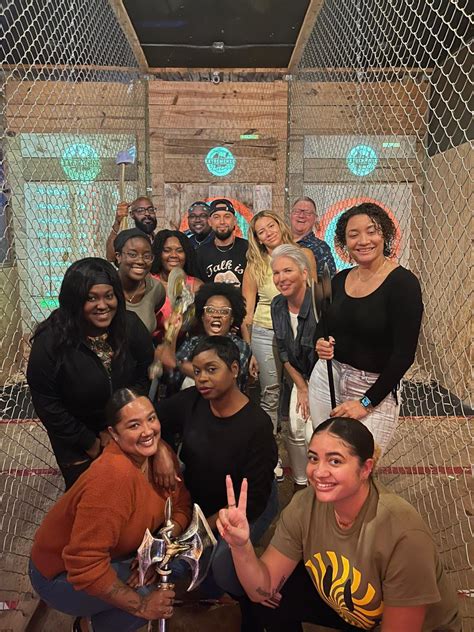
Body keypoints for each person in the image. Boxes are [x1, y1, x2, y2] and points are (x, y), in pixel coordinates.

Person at [217, 418, 460, 632]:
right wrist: (241, 546)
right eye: (313, 458)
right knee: (271, 597)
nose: (319, 472)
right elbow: (262, 588)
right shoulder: (304, 504)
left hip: (420, 627)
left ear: (365, 468)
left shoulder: (403, 533)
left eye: (335, 461)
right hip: (355, 610)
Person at [29, 388, 192, 632]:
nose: (148, 431)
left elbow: (182, 505)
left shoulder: (158, 453)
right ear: (114, 434)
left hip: (112, 554)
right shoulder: (113, 479)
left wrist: (155, 547)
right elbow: (86, 566)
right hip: (59, 573)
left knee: (170, 568)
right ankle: (88, 627)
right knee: (150, 592)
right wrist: (142, 606)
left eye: (151, 418)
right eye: (134, 425)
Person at [153, 336, 278, 626]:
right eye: (197, 371)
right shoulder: (192, 401)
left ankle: (248, 603)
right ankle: (209, 582)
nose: (202, 379)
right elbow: (153, 420)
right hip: (202, 502)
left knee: (224, 568)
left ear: (234, 369)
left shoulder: (257, 425)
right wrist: (162, 452)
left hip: (246, 507)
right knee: (175, 564)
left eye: (211, 369)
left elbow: (254, 500)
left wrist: (198, 530)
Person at [27, 258, 154, 489]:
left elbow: (145, 374)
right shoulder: (51, 341)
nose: (102, 305)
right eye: (91, 298)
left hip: (124, 429)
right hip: (76, 438)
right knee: (93, 496)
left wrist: (123, 425)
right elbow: (47, 403)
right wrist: (89, 442)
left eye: (109, 296)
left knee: (131, 493)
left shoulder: (130, 326)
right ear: (75, 301)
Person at [308, 202, 423, 453]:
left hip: (373, 386)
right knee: (327, 453)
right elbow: (323, 324)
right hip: (328, 376)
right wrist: (320, 343)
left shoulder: (403, 284)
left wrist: (366, 402)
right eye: (353, 234)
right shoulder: (340, 279)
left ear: (385, 235)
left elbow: (404, 355)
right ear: (345, 242)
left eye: (371, 231)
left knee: (361, 463)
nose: (363, 241)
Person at [241, 211, 316, 438]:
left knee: (301, 388)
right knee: (270, 393)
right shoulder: (255, 265)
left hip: (298, 330)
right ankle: (270, 446)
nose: (268, 233)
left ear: (280, 225)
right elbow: (247, 312)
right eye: (261, 231)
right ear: (257, 239)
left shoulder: (304, 254)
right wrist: (249, 348)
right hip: (265, 332)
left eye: (271, 226)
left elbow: (314, 296)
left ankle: (303, 441)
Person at [270, 244, 318, 489]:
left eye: (287, 271)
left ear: (304, 273)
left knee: (314, 434)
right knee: (296, 430)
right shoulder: (277, 305)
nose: (281, 278)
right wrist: (301, 387)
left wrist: (313, 388)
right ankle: (301, 485)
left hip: (324, 378)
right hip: (300, 376)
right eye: (276, 273)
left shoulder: (320, 304)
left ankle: (319, 485)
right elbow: (284, 352)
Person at [159, 282, 257, 391]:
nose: (216, 315)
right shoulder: (193, 342)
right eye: (210, 310)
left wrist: (181, 365)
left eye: (224, 311)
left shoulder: (240, 346)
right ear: (202, 317)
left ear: (232, 319)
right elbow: (172, 377)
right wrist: (174, 332)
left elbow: (226, 381)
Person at [150, 229, 203, 343]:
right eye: (167, 250)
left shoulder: (196, 286)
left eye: (179, 251)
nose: (173, 255)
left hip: (184, 346)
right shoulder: (148, 282)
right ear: (159, 254)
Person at [114, 228, 165, 333]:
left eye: (147, 256)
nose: (141, 261)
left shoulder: (156, 289)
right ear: (118, 256)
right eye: (133, 255)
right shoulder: (107, 287)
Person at [196, 199, 248, 287]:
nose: (222, 222)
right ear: (210, 222)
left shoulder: (249, 249)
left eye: (227, 216)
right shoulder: (200, 253)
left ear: (235, 221)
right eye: (216, 217)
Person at [290, 197, 336, 278]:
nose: (301, 215)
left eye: (308, 213)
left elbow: (328, 281)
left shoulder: (321, 248)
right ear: (290, 215)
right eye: (297, 211)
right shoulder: (280, 240)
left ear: (315, 218)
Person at [106, 196, 158, 262]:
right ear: (132, 215)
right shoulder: (127, 239)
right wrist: (117, 222)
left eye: (151, 210)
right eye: (140, 210)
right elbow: (111, 257)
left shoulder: (159, 240)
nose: (147, 214)